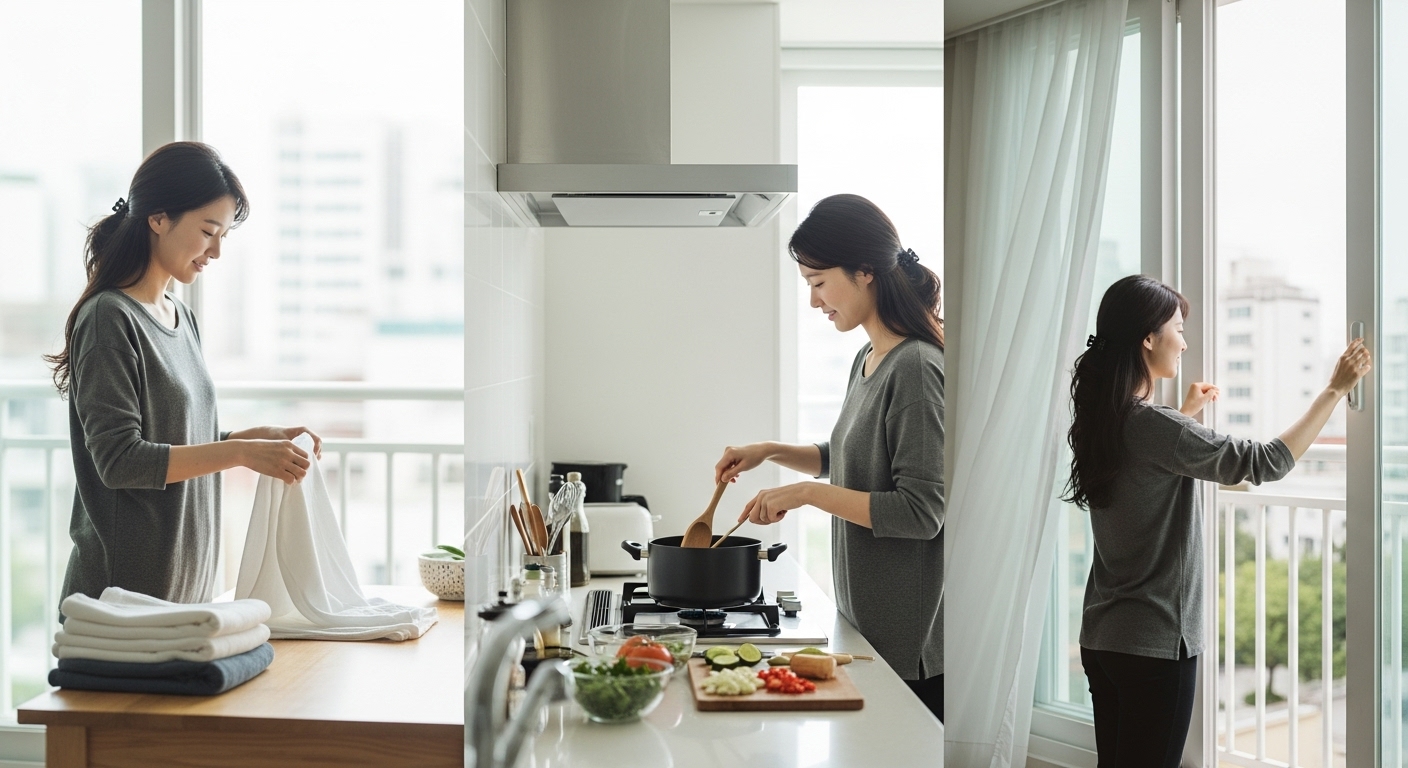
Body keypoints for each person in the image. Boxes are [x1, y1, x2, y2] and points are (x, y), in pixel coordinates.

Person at [1064, 274, 1371, 767]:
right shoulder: (1158, 428)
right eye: (1178, 330)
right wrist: (1335, 390)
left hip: (1104, 640)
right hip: (1156, 644)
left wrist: (1186, 414)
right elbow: (1266, 461)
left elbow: (1146, 476)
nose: (1184, 343)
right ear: (1148, 339)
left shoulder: (1103, 419)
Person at [45, 141, 323, 609]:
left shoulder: (181, 315)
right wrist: (239, 452)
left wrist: (255, 439)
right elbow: (120, 461)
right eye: (208, 231)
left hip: (184, 599)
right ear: (158, 218)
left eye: (224, 236)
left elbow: (179, 437)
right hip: (119, 606)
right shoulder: (109, 318)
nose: (215, 251)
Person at [714, 194, 945, 722]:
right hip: (868, 626)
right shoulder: (870, 357)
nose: (815, 302)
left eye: (819, 283)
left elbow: (920, 513)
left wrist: (803, 495)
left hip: (910, 651)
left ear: (866, 271)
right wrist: (770, 451)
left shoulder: (916, 367)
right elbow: (850, 458)